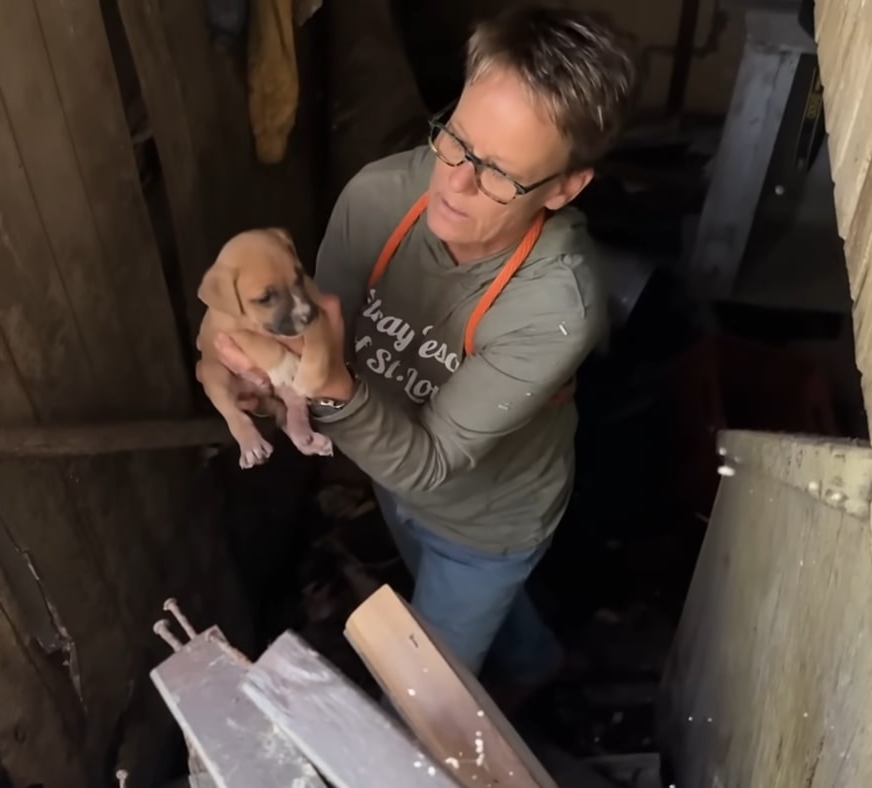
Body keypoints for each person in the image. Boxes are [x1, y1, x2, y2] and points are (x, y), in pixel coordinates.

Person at [218, 4, 637, 713]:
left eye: (500, 174)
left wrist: (326, 387)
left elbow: (430, 461)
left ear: (565, 189)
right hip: (397, 485)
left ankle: (517, 670)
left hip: (487, 524)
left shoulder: (556, 308)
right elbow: (323, 342)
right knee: (455, 591)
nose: (455, 184)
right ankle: (536, 657)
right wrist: (273, 381)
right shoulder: (380, 196)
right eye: (456, 140)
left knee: (422, 707)